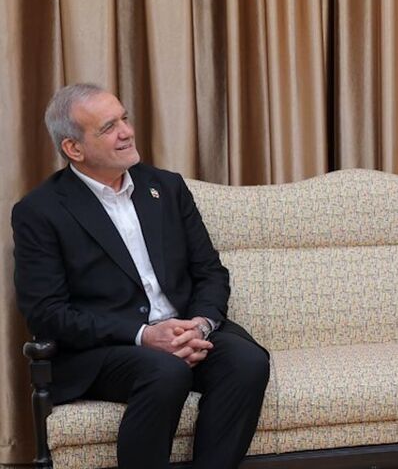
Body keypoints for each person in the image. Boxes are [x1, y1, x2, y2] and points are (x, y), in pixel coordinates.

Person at [12, 84, 269, 469]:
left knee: (247, 361)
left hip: (183, 330)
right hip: (107, 349)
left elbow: (210, 271)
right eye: (109, 127)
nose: (127, 131)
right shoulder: (40, 211)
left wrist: (197, 326)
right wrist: (144, 335)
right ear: (74, 149)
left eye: (125, 118)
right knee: (165, 370)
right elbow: (47, 313)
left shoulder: (165, 187)